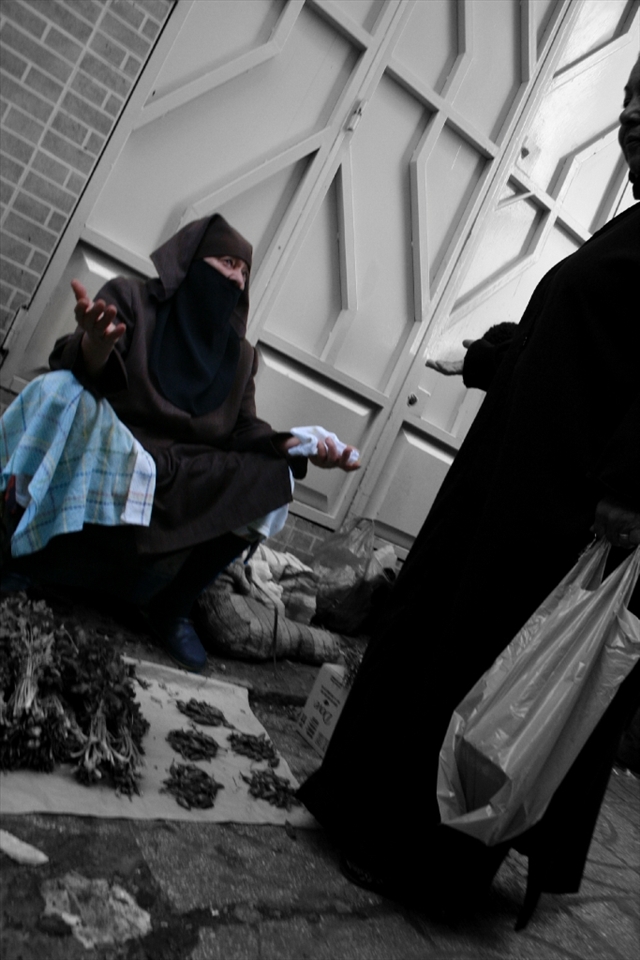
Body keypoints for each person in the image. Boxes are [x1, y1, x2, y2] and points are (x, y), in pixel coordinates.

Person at [297, 57, 640, 922]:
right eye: (628, 99)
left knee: (476, 667)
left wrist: (632, 487)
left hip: (561, 508)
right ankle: (360, 809)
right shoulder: (632, 230)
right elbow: (567, 346)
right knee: (431, 632)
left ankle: (424, 861)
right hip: (508, 483)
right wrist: (483, 359)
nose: (632, 117)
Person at [2, 214, 359, 671]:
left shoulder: (240, 355)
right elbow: (82, 370)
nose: (236, 279)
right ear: (190, 261)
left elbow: (244, 429)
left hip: (187, 466)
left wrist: (297, 445)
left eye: (244, 272)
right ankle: (17, 557)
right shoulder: (131, 299)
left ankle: (171, 608)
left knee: (277, 474)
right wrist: (95, 347)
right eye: (227, 263)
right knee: (59, 391)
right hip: (119, 445)